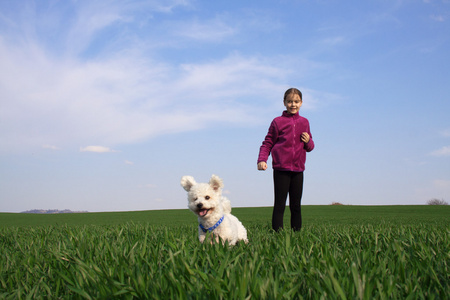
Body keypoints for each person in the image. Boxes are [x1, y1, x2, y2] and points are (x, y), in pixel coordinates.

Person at [257, 88, 315, 232]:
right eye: (289, 101)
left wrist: (308, 141)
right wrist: (262, 159)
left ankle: (297, 234)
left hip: (298, 170)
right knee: (280, 204)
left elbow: (310, 147)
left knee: (296, 205)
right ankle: (277, 235)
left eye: (296, 101)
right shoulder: (278, 122)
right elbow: (268, 142)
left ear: (301, 103)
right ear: (284, 103)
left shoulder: (305, 122)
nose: (293, 104)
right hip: (281, 169)